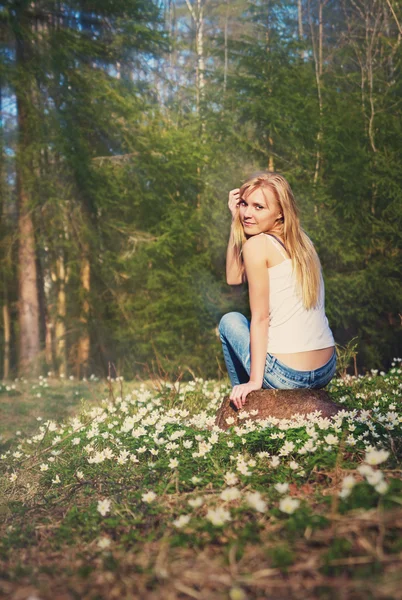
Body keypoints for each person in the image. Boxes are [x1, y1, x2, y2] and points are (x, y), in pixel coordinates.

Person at [219, 171, 336, 410]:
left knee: (230, 320)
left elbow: (261, 318)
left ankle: (247, 406)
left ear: (280, 212)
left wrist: (254, 381)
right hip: (325, 370)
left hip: (287, 375)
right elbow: (233, 278)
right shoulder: (303, 243)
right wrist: (235, 223)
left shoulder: (257, 245)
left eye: (258, 207)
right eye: (244, 204)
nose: (247, 214)